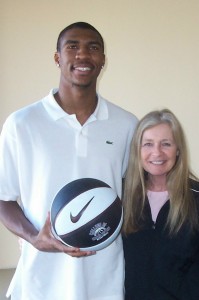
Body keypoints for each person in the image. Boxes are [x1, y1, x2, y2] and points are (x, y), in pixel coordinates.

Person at [0, 22, 138, 300]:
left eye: (93, 48)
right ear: (57, 58)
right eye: (72, 46)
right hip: (41, 282)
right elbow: (3, 199)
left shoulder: (126, 124)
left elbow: (136, 195)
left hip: (104, 280)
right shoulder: (21, 124)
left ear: (103, 61)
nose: (83, 55)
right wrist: (35, 237)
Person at [122, 109, 199, 300]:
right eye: (148, 144)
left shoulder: (196, 198)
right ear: (137, 150)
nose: (157, 152)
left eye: (166, 144)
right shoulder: (120, 196)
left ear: (178, 149)